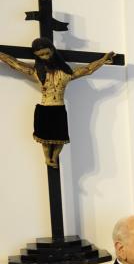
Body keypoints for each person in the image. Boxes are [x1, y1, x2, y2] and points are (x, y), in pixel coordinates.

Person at [0, 38, 115, 167]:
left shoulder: (66, 73)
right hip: (44, 108)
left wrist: (104, 59)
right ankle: (47, 158)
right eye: (41, 55)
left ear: (53, 50)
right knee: (45, 140)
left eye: (47, 53)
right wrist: (1, 55)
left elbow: (88, 69)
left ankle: (54, 157)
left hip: (59, 108)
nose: (45, 57)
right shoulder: (37, 72)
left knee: (60, 139)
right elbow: (15, 64)